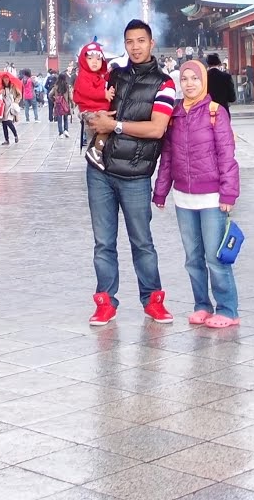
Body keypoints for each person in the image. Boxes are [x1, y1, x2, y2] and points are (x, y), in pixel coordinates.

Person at [83, 20, 176, 326]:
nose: (135, 47)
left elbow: (157, 128)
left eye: (140, 41)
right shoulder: (115, 76)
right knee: (103, 242)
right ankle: (105, 302)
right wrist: (93, 118)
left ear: (152, 43)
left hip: (136, 175)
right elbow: (95, 110)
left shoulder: (164, 84)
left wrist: (115, 126)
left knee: (142, 241)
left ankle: (153, 300)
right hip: (100, 171)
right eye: (129, 42)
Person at [154, 60, 241, 328]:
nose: (190, 84)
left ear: (204, 81)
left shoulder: (216, 112)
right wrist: (161, 191)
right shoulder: (175, 116)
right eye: (185, 79)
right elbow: (167, 156)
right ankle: (202, 305)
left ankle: (227, 309)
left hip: (212, 197)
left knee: (215, 258)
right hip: (183, 198)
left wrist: (229, 195)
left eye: (195, 79)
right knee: (193, 258)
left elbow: (227, 156)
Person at [73, 41, 114, 166]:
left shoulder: (98, 76)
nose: (94, 62)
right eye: (90, 58)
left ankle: (97, 151)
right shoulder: (83, 76)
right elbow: (88, 91)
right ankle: (95, 151)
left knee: (102, 131)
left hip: (97, 110)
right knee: (103, 130)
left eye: (98, 59)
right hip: (90, 111)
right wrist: (104, 94)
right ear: (83, 60)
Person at [0, 75, 21, 144]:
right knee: (4, 124)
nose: (6, 81)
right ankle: (6, 139)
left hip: (11, 107)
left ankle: (15, 135)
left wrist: (16, 101)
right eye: (4, 80)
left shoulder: (13, 87)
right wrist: (0, 93)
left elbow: (19, 95)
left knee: (9, 122)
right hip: (3, 108)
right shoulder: (1, 88)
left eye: (7, 79)